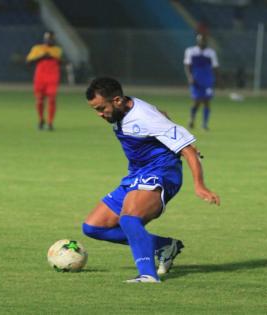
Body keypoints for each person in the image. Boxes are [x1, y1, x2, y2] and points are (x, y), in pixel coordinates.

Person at [82, 77, 220, 283]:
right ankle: (164, 245)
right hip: (137, 174)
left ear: (118, 100)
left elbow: (189, 151)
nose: (100, 114)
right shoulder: (126, 110)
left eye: (102, 108)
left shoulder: (144, 117)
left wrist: (200, 185)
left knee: (129, 219)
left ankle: (147, 274)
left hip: (162, 172)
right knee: (93, 227)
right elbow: (162, 116)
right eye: (95, 110)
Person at [26, 31, 62, 131]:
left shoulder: (57, 50)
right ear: (44, 38)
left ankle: (50, 123)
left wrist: (50, 56)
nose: (50, 40)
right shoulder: (37, 48)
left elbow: (59, 60)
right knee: (40, 100)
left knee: (52, 99)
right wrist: (41, 56)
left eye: (51, 38)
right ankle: (41, 119)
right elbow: (28, 61)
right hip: (40, 78)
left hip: (52, 78)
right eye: (48, 38)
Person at [184, 33, 219, 130]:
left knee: (207, 101)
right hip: (196, 79)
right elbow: (187, 66)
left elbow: (215, 67)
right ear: (197, 41)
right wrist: (190, 77)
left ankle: (205, 124)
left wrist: (218, 80)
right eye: (201, 40)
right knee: (197, 101)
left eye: (204, 40)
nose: (203, 42)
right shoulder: (190, 51)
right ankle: (192, 119)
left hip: (208, 80)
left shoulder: (211, 53)